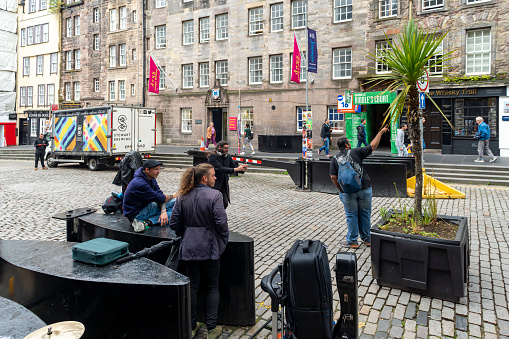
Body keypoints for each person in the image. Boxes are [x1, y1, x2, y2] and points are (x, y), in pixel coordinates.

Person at [169, 163, 228, 339]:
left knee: (192, 287)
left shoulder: (182, 196)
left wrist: (187, 234)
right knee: (212, 286)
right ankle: (211, 329)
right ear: (204, 178)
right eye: (213, 175)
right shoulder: (215, 195)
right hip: (210, 247)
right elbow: (222, 224)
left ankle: (192, 325)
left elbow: (174, 224)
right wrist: (221, 240)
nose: (215, 177)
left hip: (189, 246)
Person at [330, 125, 390, 249]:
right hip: (364, 188)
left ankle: (352, 241)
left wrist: (340, 189)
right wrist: (380, 132)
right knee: (365, 214)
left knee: (351, 215)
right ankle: (367, 239)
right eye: (349, 142)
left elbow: (333, 177)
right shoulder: (356, 152)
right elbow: (373, 146)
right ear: (347, 145)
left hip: (347, 192)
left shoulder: (335, 159)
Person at [123, 159, 177, 232]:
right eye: (156, 169)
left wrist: (163, 211)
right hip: (137, 214)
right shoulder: (140, 183)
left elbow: (160, 195)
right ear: (147, 170)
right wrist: (173, 195)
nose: (159, 172)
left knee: (176, 204)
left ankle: (148, 222)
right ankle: (145, 221)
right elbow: (160, 198)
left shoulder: (150, 177)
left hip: (145, 206)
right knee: (176, 212)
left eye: (159, 169)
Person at [207, 141, 248, 209]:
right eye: (225, 148)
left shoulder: (227, 156)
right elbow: (220, 169)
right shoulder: (213, 156)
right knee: (213, 202)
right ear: (220, 147)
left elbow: (234, 167)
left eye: (228, 148)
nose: (227, 150)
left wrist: (242, 168)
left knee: (225, 202)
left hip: (224, 184)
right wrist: (236, 169)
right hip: (214, 183)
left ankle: (219, 216)